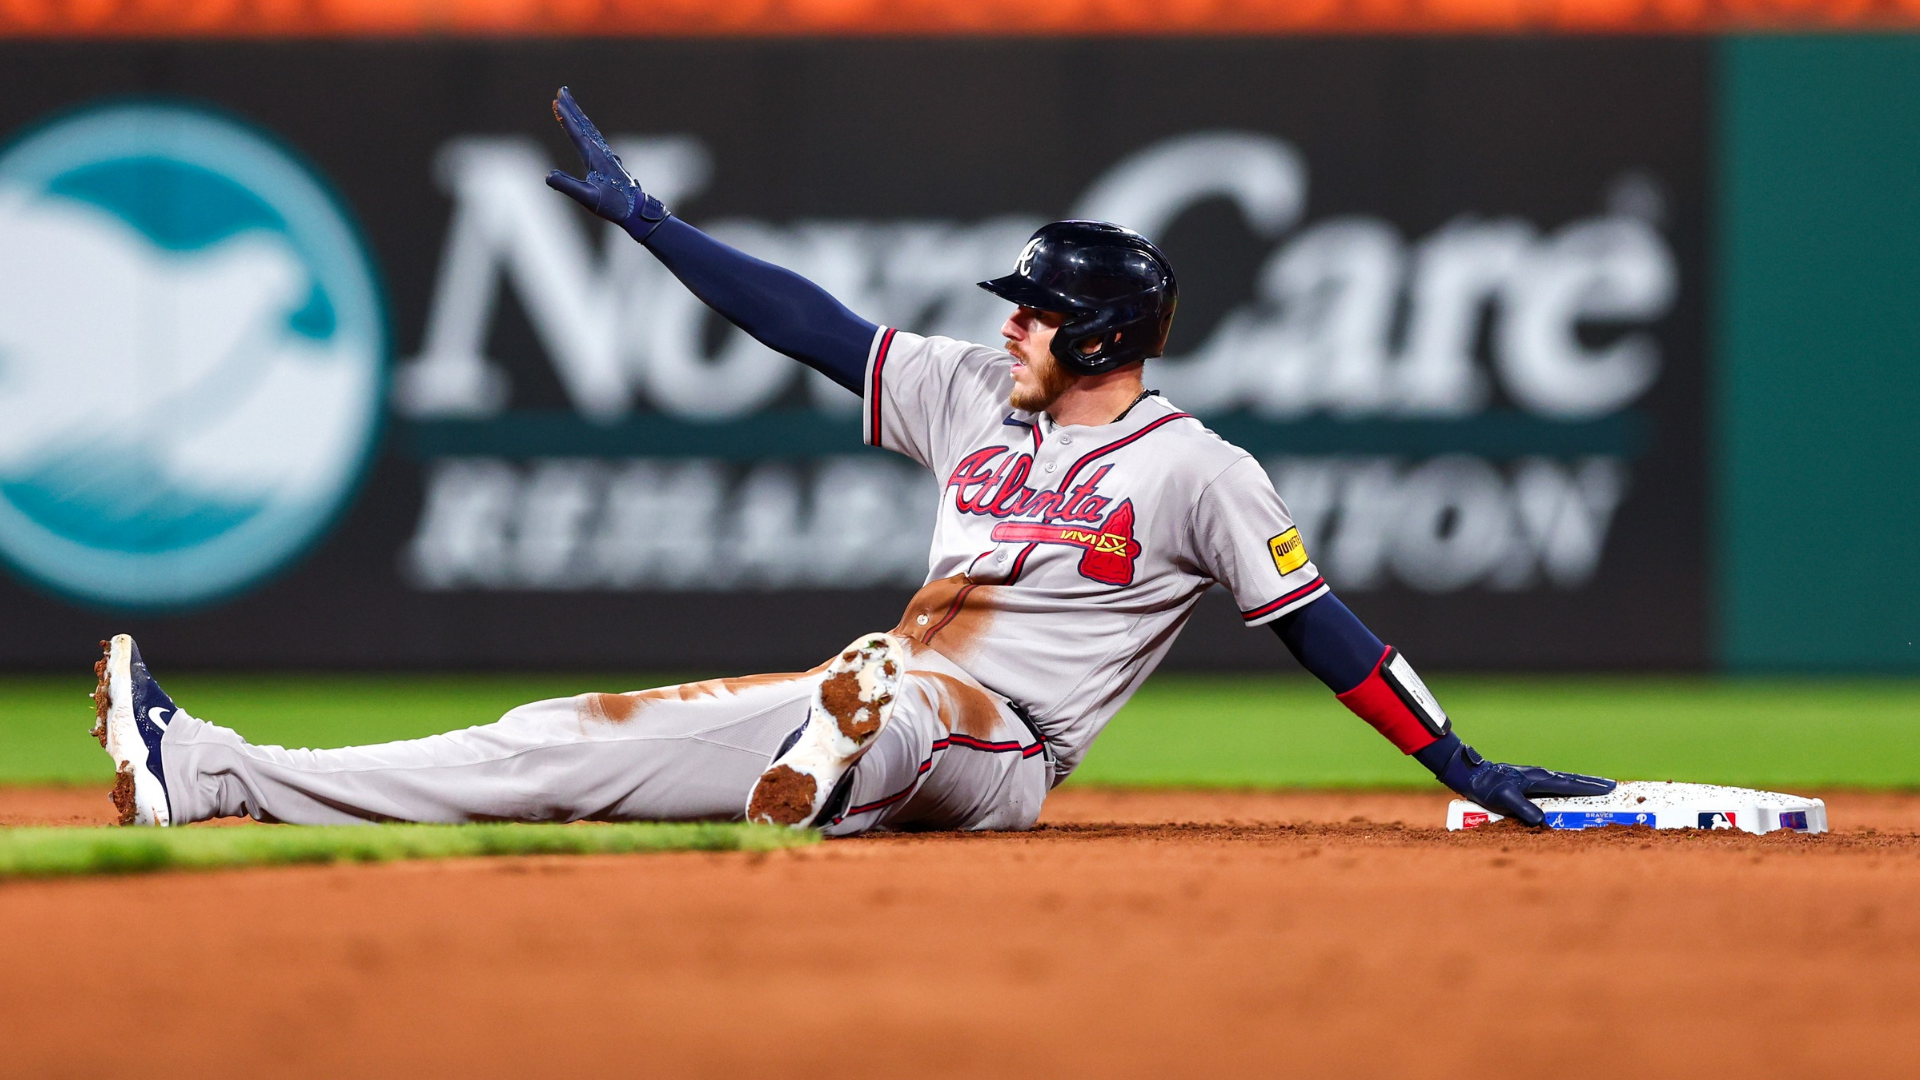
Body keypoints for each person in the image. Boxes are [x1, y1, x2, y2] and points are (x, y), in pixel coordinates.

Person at [90, 87, 1613, 831]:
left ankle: (836, 757)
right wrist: (656, 230)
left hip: (1002, 750)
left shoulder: (1197, 469)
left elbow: (1329, 634)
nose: (1011, 325)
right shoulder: (969, 398)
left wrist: (1458, 764)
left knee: (890, 687)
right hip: (871, 692)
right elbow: (810, 325)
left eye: (1037, 311)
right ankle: (214, 774)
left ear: (1103, 335)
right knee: (566, 733)